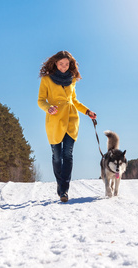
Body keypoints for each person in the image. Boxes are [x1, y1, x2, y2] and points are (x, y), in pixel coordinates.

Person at [38, 51, 96, 202]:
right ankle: (60, 184)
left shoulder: (72, 80)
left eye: (67, 64)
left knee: (68, 155)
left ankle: (64, 190)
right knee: (57, 157)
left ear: (70, 64)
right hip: (55, 122)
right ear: (55, 64)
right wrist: (48, 107)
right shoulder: (46, 80)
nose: (64, 67)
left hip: (71, 120)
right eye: (61, 63)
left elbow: (74, 101)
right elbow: (40, 100)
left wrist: (87, 111)